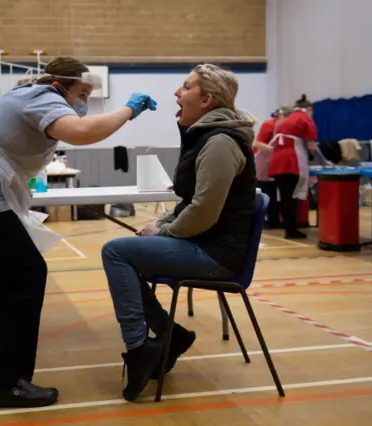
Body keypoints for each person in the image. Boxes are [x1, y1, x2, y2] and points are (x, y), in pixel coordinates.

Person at [0, 56, 157, 409]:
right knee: (27, 275)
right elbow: (82, 133)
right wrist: (128, 110)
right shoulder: (43, 98)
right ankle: (8, 383)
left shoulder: (28, 98)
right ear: (59, 85)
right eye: (82, 93)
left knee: (8, 280)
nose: (83, 102)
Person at [101, 64, 258, 402]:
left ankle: (141, 347)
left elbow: (203, 212)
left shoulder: (219, 142)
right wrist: (159, 226)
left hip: (216, 255)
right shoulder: (208, 137)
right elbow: (191, 202)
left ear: (207, 100)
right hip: (205, 243)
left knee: (116, 252)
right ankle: (170, 335)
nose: (176, 93)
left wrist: (165, 231)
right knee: (125, 256)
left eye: (186, 87)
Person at [267, 94, 320, 239]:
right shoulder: (305, 119)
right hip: (290, 162)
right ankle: (291, 230)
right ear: (309, 109)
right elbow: (312, 146)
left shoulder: (285, 120)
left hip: (277, 162)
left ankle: (289, 228)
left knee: (284, 197)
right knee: (291, 197)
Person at [253, 106, 293, 228]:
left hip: (274, 162)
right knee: (267, 194)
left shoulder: (286, 127)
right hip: (263, 161)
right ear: (281, 116)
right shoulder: (269, 125)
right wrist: (277, 150)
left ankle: (275, 220)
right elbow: (256, 143)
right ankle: (265, 220)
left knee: (275, 195)